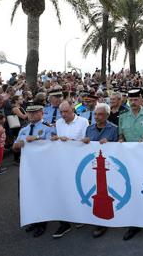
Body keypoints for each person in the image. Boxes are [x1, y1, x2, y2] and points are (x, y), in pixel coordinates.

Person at [117, 89, 143, 241]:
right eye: (130, 100)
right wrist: (120, 140)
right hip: (128, 160)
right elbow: (121, 134)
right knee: (131, 189)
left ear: (141, 100)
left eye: (136, 100)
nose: (133, 103)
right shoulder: (123, 117)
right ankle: (134, 223)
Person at [12, 103, 56, 237]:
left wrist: (37, 138)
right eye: (30, 113)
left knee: (41, 194)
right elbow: (15, 148)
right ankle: (33, 218)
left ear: (42, 113)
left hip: (42, 167)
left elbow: (53, 145)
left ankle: (42, 222)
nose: (31, 115)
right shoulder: (24, 129)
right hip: (27, 168)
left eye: (35, 113)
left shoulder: (48, 128)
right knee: (26, 193)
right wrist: (17, 145)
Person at [50, 101, 89, 239]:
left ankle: (79, 216)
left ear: (73, 109)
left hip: (78, 161)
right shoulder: (59, 123)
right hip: (62, 161)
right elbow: (53, 137)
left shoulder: (83, 122)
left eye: (66, 111)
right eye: (61, 112)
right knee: (62, 189)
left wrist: (71, 140)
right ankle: (64, 222)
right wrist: (54, 138)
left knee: (77, 188)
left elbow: (87, 140)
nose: (63, 114)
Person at [82, 103, 119, 238]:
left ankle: (102, 221)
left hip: (109, 168)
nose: (97, 117)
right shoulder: (89, 129)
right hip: (91, 168)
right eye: (95, 114)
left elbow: (118, 150)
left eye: (100, 114)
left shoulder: (114, 129)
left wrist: (110, 144)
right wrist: (84, 142)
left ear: (107, 115)